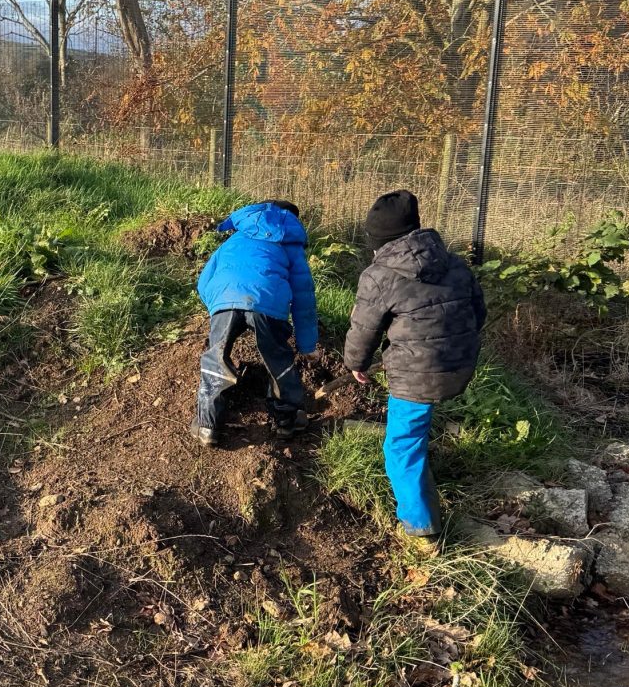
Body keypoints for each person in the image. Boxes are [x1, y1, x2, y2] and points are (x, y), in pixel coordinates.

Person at [344, 190, 485, 547]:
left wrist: (356, 364)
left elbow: (364, 329)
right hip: (461, 362)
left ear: (378, 241)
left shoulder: (379, 276)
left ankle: (422, 528)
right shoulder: (454, 263)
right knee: (419, 412)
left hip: (418, 375)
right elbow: (477, 313)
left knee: (402, 446)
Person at [192, 199, 318, 445]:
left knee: (215, 358)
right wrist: (307, 346)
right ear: (291, 220)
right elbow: (304, 299)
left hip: (225, 300)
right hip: (268, 303)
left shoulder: (234, 240)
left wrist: (217, 307)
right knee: (277, 360)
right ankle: (287, 421)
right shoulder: (289, 244)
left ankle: (207, 425)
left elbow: (204, 281)